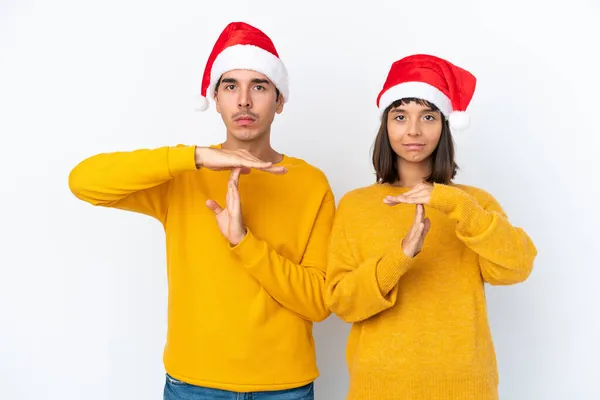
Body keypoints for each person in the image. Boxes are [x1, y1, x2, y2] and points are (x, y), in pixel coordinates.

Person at [69, 21, 335, 400]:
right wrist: (193, 156)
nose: (244, 100)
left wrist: (244, 242)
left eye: (258, 86)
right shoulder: (185, 175)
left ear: (279, 101)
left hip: (284, 387)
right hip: (193, 385)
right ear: (216, 98)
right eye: (230, 86)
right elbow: (83, 181)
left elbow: (318, 302)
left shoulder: (310, 183)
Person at [324, 54, 538, 400]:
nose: (413, 130)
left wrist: (455, 205)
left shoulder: (472, 202)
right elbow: (342, 303)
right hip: (379, 389)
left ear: (444, 125)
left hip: (465, 389)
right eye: (400, 116)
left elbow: (516, 267)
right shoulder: (356, 205)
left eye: (427, 116)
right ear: (386, 126)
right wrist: (402, 255)